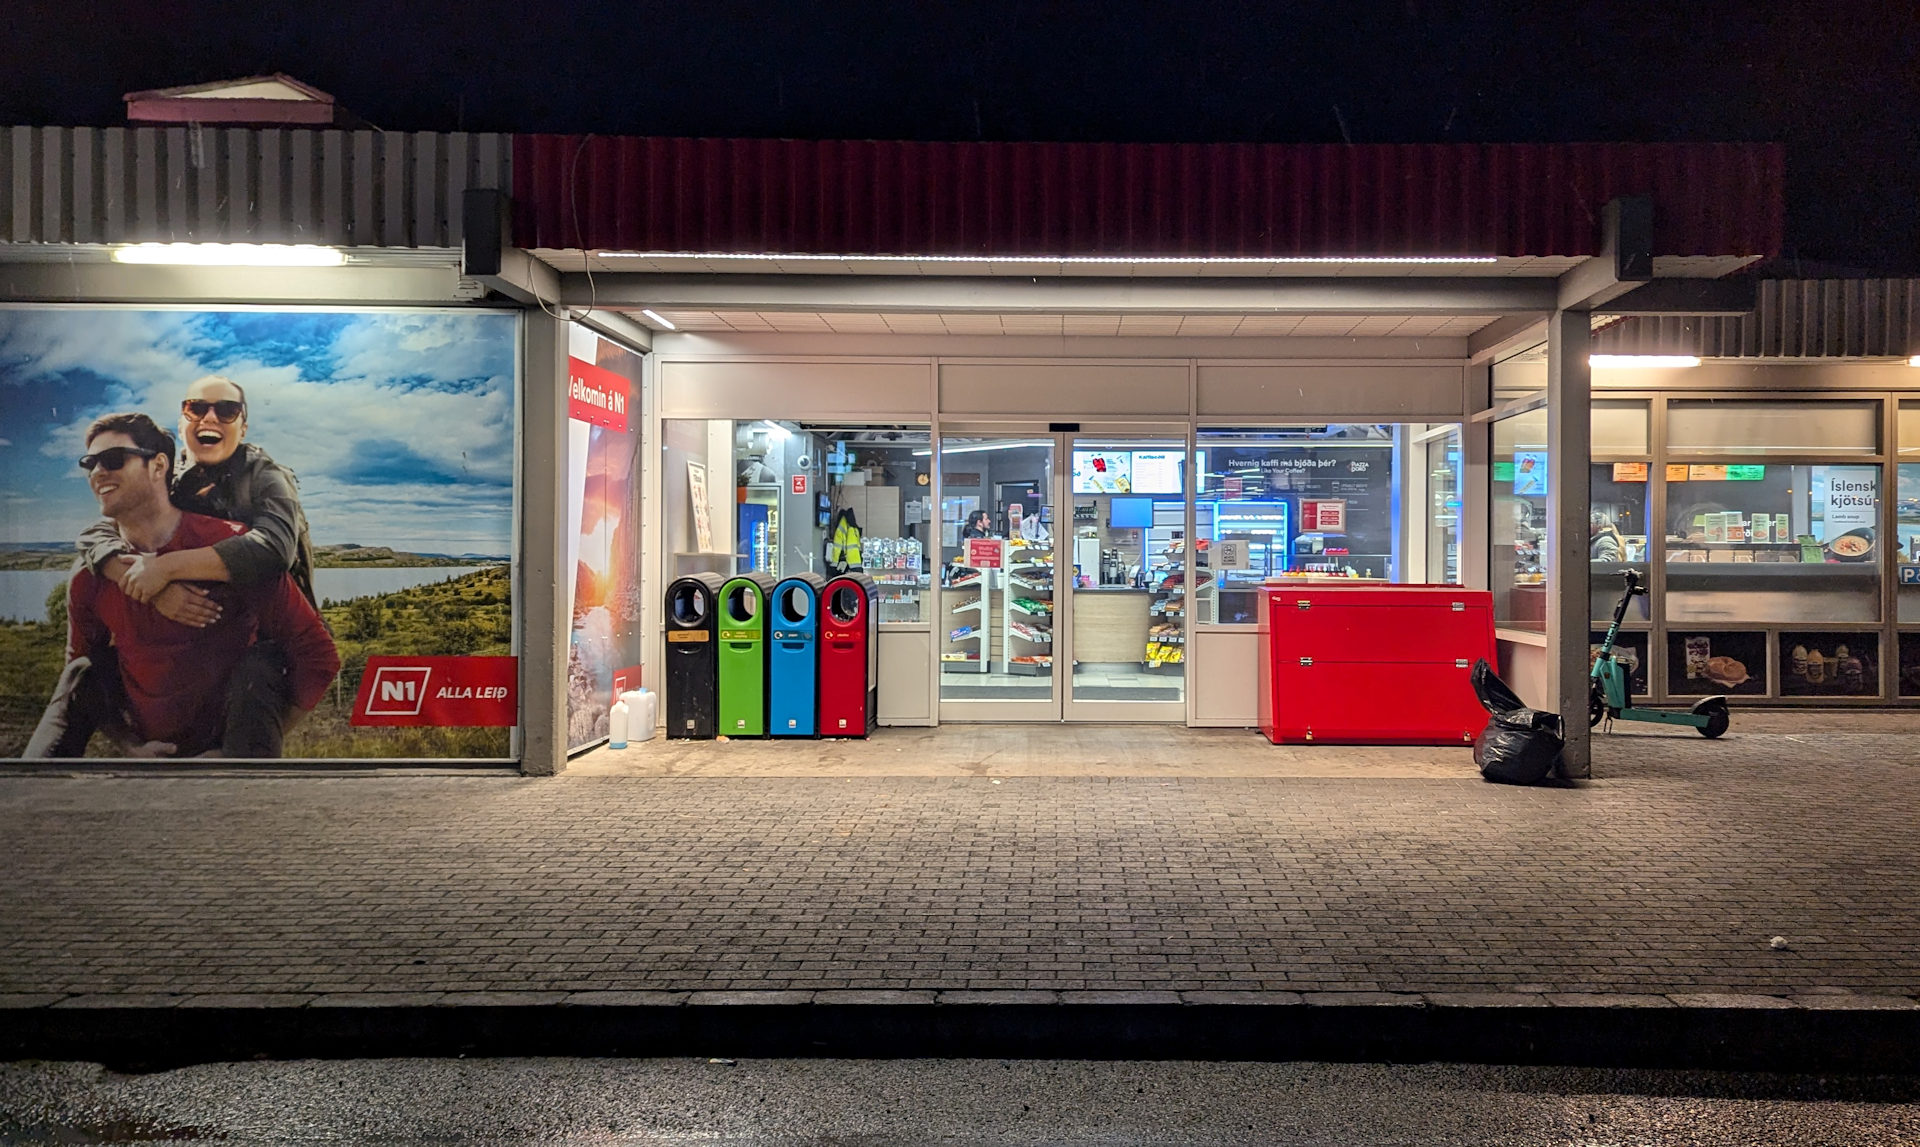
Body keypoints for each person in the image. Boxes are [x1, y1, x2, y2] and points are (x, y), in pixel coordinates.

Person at [24, 414, 340, 759]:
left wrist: (234, 752)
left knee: (263, 664)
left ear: (159, 466)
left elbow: (318, 657)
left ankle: (247, 776)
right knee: (79, 672)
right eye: (90, 463)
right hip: (149, 747)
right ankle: (29, 798)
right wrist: (130, 747)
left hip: (230, 751)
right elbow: (83, 682)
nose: (98, 472)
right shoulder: (91, 576)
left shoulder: (230, 549)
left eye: (113, 459)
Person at [78, 375, 318, 623]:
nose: (210, 417)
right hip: (203, 630)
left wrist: (163, 568)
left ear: (243, 429)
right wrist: (142, 582)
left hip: (276, 633)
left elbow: (275, 548)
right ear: (181, 426)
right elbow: (96, 534)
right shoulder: (168, 478)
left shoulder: (265, 475)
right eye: (196, 408)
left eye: (227, 410)